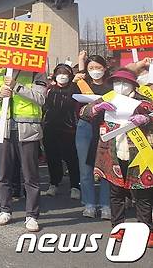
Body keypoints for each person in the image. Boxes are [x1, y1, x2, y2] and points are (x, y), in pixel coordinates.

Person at [80, 68, 153, 248]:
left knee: (143, 194)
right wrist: (97, 107)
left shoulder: (144, 102)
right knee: (116, 194)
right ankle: (118, 227)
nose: (120, 86)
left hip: (139, 155)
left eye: (124, 83)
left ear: (133, 85)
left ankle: (147, 230)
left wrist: (146, 119)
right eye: (116, 83)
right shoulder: (109, 97)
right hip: (112, 153)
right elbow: (84, 112)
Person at [0, 67, 47, 233]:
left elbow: (41, 98)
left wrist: (17, 86)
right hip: (3, 130)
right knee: (3, 173)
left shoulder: (36, 72)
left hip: (27, 130)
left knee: (30, 175)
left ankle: (32, 215)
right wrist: (0, 96)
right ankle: (5, 210)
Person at [74, 52, 112, 220]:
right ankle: (89, 203)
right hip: (85, 126)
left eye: (98, 67)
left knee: (107, 167)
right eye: (91, 68)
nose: (95, 70)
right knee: (85, 167)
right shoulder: (82, 83)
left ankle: (106, 204)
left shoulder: (112, 84)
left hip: (107, 127)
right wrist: (80, 64)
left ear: (105, 68)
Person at [41, 63, 81, 199]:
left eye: (65, 73)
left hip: (69, 129)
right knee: (52, 158)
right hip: (50, 127)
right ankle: (54, 183)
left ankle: (75, 186)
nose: (62, 76)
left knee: (72, 159)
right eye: (59, 73)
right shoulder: (49, 90)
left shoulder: (75, 89)